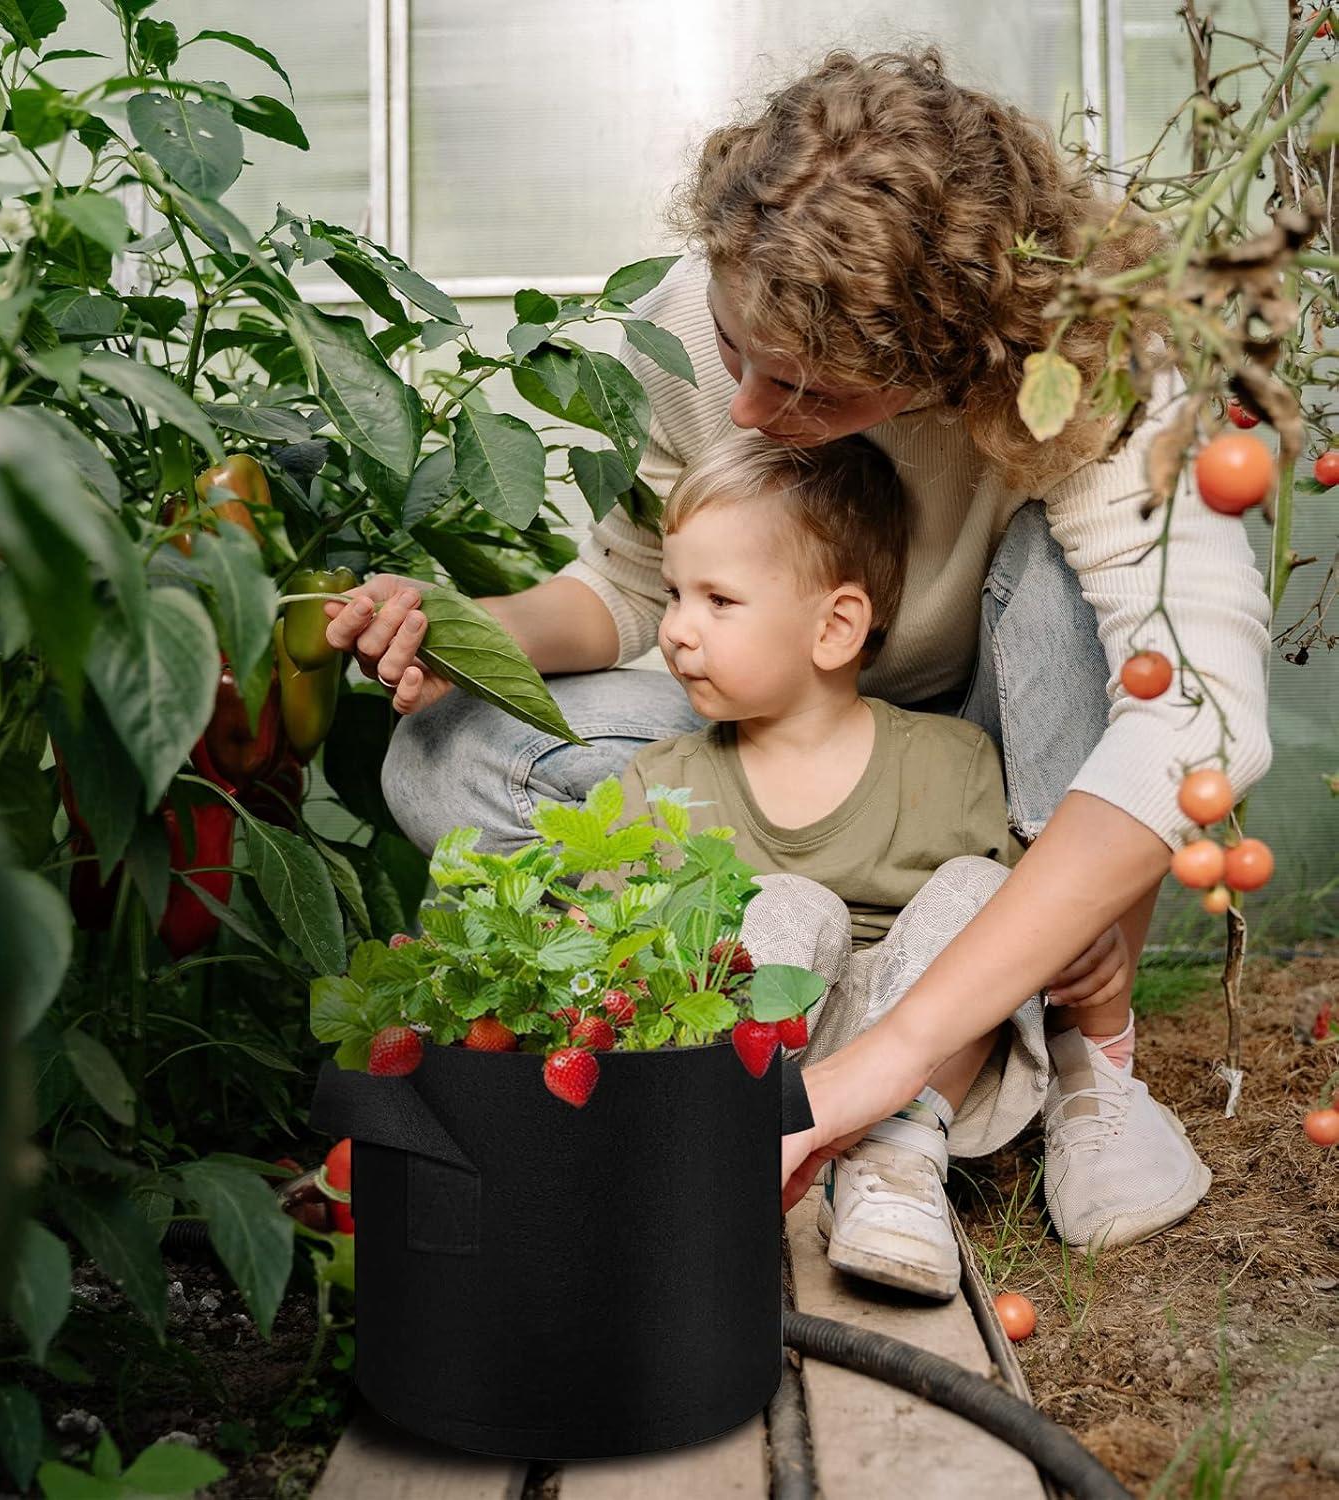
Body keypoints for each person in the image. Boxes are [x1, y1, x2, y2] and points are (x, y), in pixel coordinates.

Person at [326, 49, 1271, 1252]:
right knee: (449, 752)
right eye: (738, 356)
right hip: (780, 726)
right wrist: (470, 634)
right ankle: (789, 982)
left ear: (952, 364)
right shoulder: (690, 321)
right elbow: (629, 586)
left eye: (817, 395)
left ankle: (1079, 1053)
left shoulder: (1093, 368)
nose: (756, 417)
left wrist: (875, 1074)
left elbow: (1202, 712)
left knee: (1089, 610)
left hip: (994, 761)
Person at [595, 428, 1142, 1299]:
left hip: (917, 1063)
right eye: (671, 594)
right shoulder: (660, 786)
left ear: (836, 625)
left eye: (718, 601)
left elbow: (1021, 951)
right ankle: (719, 1161)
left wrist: (1091, 966)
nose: (675, 631)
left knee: (984, 891)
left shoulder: (952, 763)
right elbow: (606, 961)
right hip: (753, 1070)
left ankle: (895, 1167)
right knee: (785, 905)